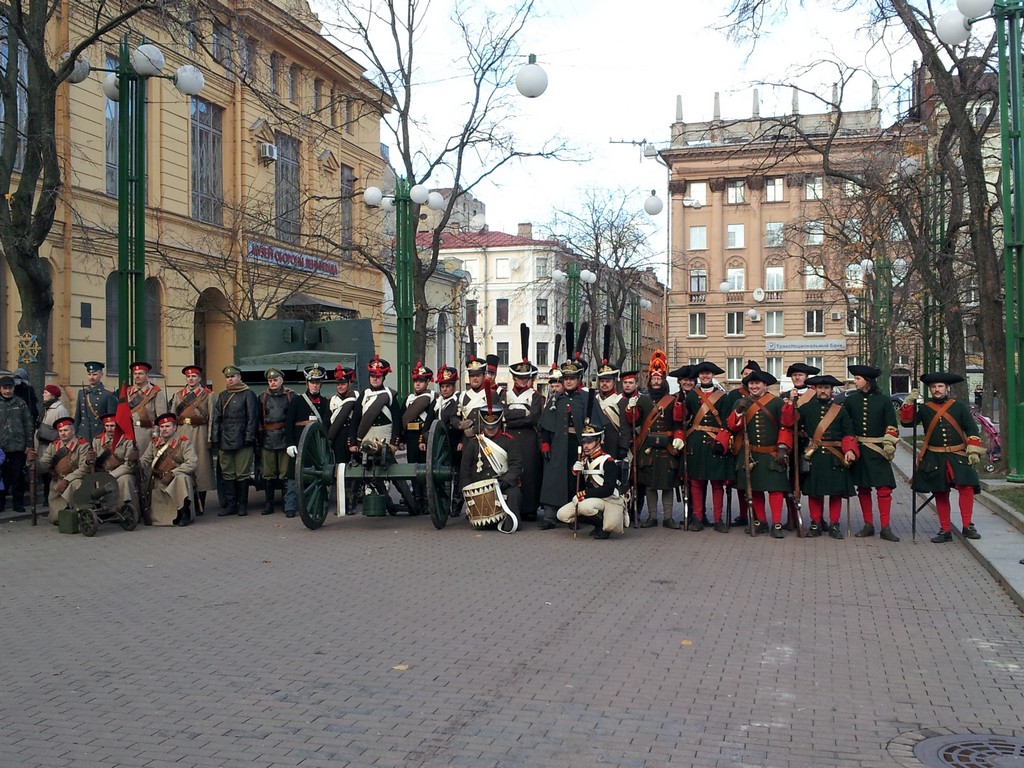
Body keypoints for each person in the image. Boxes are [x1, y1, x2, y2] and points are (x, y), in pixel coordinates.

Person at [900, 372, 984, 543]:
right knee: (940, 492)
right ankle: (945, 529)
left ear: (947, 388)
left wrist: (973, 449)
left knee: (966, 488)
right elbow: (907, 423)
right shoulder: (924, 408)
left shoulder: (959, 407)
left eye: (940, 386)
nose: (937, 390)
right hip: (934, 456)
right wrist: (908, 404)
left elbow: (972, 430)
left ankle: (967, 525)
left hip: (957, 455)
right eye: (933, 387)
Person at [538, 351, 604, 529]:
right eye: (565, 378)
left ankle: (574, 516)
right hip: (559, 444)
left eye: (572, 378)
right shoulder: (555, 400)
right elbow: (545, 426)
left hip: (580, 444)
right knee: (554, 478)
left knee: (576, 479)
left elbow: (598, 426)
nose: (568, 381)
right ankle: (551, 516)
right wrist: (545, 443)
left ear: (579, 378)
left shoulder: (586, 398)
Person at [788, 375, 858, 539]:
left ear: (831, 390)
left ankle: (834, 525)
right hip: (815, 456)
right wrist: (792, 404)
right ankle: (815, 523)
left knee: (835, 493)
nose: (823, 391)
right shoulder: (805, 408)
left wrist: (850, 450)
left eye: (826, 388)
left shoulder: (840, 409)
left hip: (835, 456)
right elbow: (792, 424)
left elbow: (849, 434)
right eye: (820, 388)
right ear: (815, 389)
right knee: (815, 493)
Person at [726, 369, 793, 538]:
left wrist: (783, 447)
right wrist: (738, 412)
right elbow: (732, 427)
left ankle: (776, 523)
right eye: (751, 383)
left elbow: (785, 425)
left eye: (757, 383)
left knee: (775, 490)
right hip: (750, 454)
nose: (754, 386)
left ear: (765, 385)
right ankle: (761, 521)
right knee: (754, 490)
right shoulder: (741, 402)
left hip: (771, 453)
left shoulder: (776, 402)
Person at [844, 364, 901, 542]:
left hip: (878, 451)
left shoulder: (884, 401)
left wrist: (889, 443)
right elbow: (847, 427)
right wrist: (849, 448)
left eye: (857, 379)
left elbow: (891, 425)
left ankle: (885, 527)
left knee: (884, 489)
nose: (854, 382)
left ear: (867, 381)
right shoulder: (851, 401)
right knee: (863, 488)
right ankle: (868, 524)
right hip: (859, 450)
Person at [626, 350, 682, 529]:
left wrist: (678, 437)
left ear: (664, 381)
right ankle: (651, 517)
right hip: (647, 448)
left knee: (667, 485)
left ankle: (667, 518)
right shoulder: (641, 400)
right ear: (649, 381)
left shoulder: (672, 400)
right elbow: (632, 421)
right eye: (653, 379)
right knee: (649, 486)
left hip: (667, 448)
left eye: (659, 379)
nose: (656, 382)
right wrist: (630, 409)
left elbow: (678, 423)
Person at [458, 392, 522, 529]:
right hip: (480, 485)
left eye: (494, 426)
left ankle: (509, 522)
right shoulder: (475, 443)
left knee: (514, 493)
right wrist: (466, 490)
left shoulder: (509, 442)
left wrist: (507, 480)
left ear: (499, 423)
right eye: (488, 427)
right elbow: (465, 468)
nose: (491, 430)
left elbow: (516, 465)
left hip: (501, 483)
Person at [683, 362, 734, 533]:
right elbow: (684, 419)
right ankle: (698, 518)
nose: (705, 376)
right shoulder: (691, 396)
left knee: (717, 484)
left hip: (715, 443)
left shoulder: (723, 397)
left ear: (713, 375)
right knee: (696, 483)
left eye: (708, 374)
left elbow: (727, 422)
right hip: (696, 443)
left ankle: (718, 519)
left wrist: (722, 442)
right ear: (699, 376)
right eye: (702, 374)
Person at [556, 423, 626, 539]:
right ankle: (598, 525)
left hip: (609, 499)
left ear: (598, 441)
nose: (586, 446)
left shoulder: (607, 461)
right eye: (584, 442)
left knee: (584, 507)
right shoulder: (583, 460)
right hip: (592, 499)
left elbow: (608, 489)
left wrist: (584, 495)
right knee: (562, 514)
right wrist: (574, 472)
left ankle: (604, 526)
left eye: (589, 442)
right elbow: (579, 485)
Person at [503, 324, 544, 521]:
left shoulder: (535, 396)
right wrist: (521, 414)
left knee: (529, 474)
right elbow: (503, 415)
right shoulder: (505, 394)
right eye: (519, 378)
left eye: (526, 378)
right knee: (511, 471)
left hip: (528, 439)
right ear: (514, 377)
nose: (522, 381)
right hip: (509, 438)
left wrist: (514, 415)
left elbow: (534, 418)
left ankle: (529, 508)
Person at [284, 364, 332, 518]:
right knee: (293, 475)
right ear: (307, 383)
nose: (315, 385)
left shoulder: (325, 403)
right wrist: (290, 444)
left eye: (317, 382)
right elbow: (289, 424)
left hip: (315, 447)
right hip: (298, 443)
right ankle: (290, 506)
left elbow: (325, 425)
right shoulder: (297, 401)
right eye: (312, 382)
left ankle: (311, 505)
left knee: (314, 475)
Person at [211, 365, 259, 517]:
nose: (230, 379)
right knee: (228, 473)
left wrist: (249, 437)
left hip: (242, 437)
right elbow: (216, 419)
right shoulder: (223, 395)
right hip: (226, 438)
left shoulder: (248, 394)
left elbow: (252, 418)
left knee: (242, 473)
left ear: (239, 377)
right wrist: (215, 438)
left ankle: (242, 505)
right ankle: (231, 505)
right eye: (228, 377)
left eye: (233, 376)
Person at [781, 362, 821, 531]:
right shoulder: (784, 395)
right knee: (790, 484)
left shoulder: (815, 395)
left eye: (800, 375)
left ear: (806, 377)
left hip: (811, 443)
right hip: (792, 444)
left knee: (815, 484)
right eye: (794, 375)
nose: (797, 377)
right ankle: (792, 517)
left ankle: (818, 519)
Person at [170, 366, 215, 513]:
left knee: (201, 467)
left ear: (199, 378)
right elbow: (173, 418)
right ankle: (186, 501)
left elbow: (211, 418)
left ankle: (200, 502)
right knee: (183, 464)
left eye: (194, 376)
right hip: (183, 432)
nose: (191, 379)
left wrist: (210, 437)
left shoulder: (207, 395)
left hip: (199, 433)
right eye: (189, 377)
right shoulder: (179, 395)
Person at [141, 412, 198, 526]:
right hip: (160, 480)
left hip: (176, 479)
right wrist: (136, 461)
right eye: (162, 427)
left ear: (175, 427)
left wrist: (173, 473)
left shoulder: (183, 442)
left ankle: (184, 512)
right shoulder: (154, 443)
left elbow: (192, 462)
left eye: (167, 426)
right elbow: (145, 460)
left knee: (182, 479)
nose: (164, 429)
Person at [35, 416, 89, 524]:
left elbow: (84, 468)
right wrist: (33, 461)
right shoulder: (54, 446)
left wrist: (67, 480)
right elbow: (44, 464)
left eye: (66, 430)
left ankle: (80, 514)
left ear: (73, 431)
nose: (63, 433)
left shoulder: (82, 445)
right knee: (56, 518)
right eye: (60, 431)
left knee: (76, 484)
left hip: (75, 480)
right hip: (57, 482)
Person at [89, 412, 141, 523]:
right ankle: (105, 511)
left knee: (125, 480)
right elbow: (93, 463)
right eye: (107, 426)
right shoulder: (97, 441)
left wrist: (111, 476)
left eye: (112, 426)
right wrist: (89, 460)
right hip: (102, 474)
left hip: (122, 473)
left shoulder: (127, 441)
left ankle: (125, 509)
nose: (109, 429)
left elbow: (129, 466)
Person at [402, 362, 437, 514]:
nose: (417, 384)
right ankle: (416, 497)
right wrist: (401, 439)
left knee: (425, 468)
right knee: (413, 467)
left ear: (427, 382)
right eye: (416, 381)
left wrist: (424, 438)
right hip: (411, 437)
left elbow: (431, 420)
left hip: (424, 436)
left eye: (421, 381)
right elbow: (402, 420)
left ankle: (426, 498)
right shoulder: (408, 399)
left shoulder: (432, 399)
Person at [258, 368, 293, 516]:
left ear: (282, 380)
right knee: (268, 473)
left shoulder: (290, 396)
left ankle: (287, 503)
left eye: (275, 380)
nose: (273, 383)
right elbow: (258, 418)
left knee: (285, 472)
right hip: (267, 438)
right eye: (270, 380)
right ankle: (269, 503)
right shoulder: (262, 397)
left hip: (284, 437)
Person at [0, 375, 33, 514]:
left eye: (10, 388)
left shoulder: (21, 403)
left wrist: (29, 444)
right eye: (5, 388)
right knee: (2, 478)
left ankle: (17, 504)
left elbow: (28, 424)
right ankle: (1, 504)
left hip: (18, 447)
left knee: (18, 477)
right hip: (1, 448)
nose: (8, 391)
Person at [36, 384, 69, 506]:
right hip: (43, 446)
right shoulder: (46, 408)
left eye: (46, 392)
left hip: (53, 445)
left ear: (52, 395)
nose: (43, 395)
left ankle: (51, 500)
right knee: (45, 473)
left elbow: (64, 429)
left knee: (52, 473)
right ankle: (46, 498)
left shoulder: (60, 410)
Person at [126, 361, 168, 455]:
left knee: (145, 462)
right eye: (135, 374)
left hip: (148, 432)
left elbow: (161, 416)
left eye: (140, 374)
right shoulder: (128, 392)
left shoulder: (155, 392)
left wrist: (157, 434)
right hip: (131, 432)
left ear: (147, 375)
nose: (137, 376)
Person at [74, 361, 117, 442]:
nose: (91, 377)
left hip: (100, 434)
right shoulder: (82, 393)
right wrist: (75, 433)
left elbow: (111, 419)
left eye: (94, 374)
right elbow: (77, 417)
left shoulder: (108, 395)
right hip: (83, 434)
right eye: (89, 374)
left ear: (101, 375)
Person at [328, 365, 359, 464]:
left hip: (353, 434)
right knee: (340, 465)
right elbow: (326, 421)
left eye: (343, 384)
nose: (340, 387)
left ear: (349, 383)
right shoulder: (332, 401)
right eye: (338, 384)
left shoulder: (357, 397)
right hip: (338, 436)